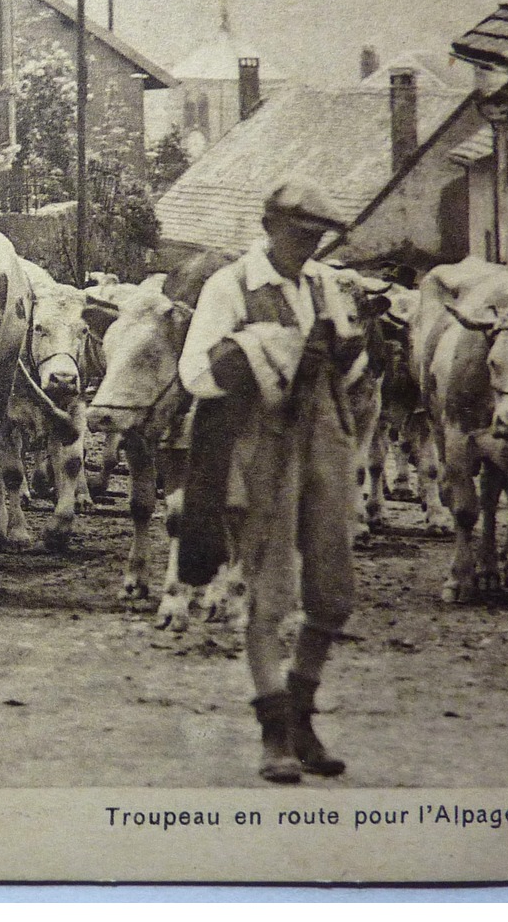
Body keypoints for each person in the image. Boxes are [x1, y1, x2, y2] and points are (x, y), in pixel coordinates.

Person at [177, 179, 365, 783]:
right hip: (261, 443)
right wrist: (274, 348)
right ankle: (275, 732)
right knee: (269, 587)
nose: (306, 247)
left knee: (334, 589)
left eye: (316, 237)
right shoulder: (230, 286)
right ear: (269, 227)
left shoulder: (326, 285)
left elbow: (356, 365)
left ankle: (305, 712)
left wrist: (347, 351)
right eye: (297, 234)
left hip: (324, 439)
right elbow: (196, 373)